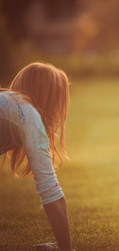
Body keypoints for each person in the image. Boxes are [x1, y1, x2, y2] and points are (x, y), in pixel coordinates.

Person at [0, 62, 72, 250]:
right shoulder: (27, 113)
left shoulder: (9, 103)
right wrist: (66, 247)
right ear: (50, 97)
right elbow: (51, 191)